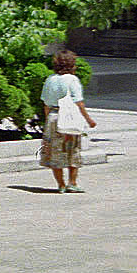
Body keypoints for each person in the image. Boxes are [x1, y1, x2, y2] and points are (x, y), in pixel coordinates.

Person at [39, 49, 96, 193]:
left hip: (53, 118)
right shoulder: (72, 80)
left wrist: (48, 121)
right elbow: (79, 102)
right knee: (72, 150)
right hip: (69, 118)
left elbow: (46, 103)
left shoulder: (49, 79)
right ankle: (72, 182)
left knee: (55, 152)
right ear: (72, 65)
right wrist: (88, 119)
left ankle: (61, 185)